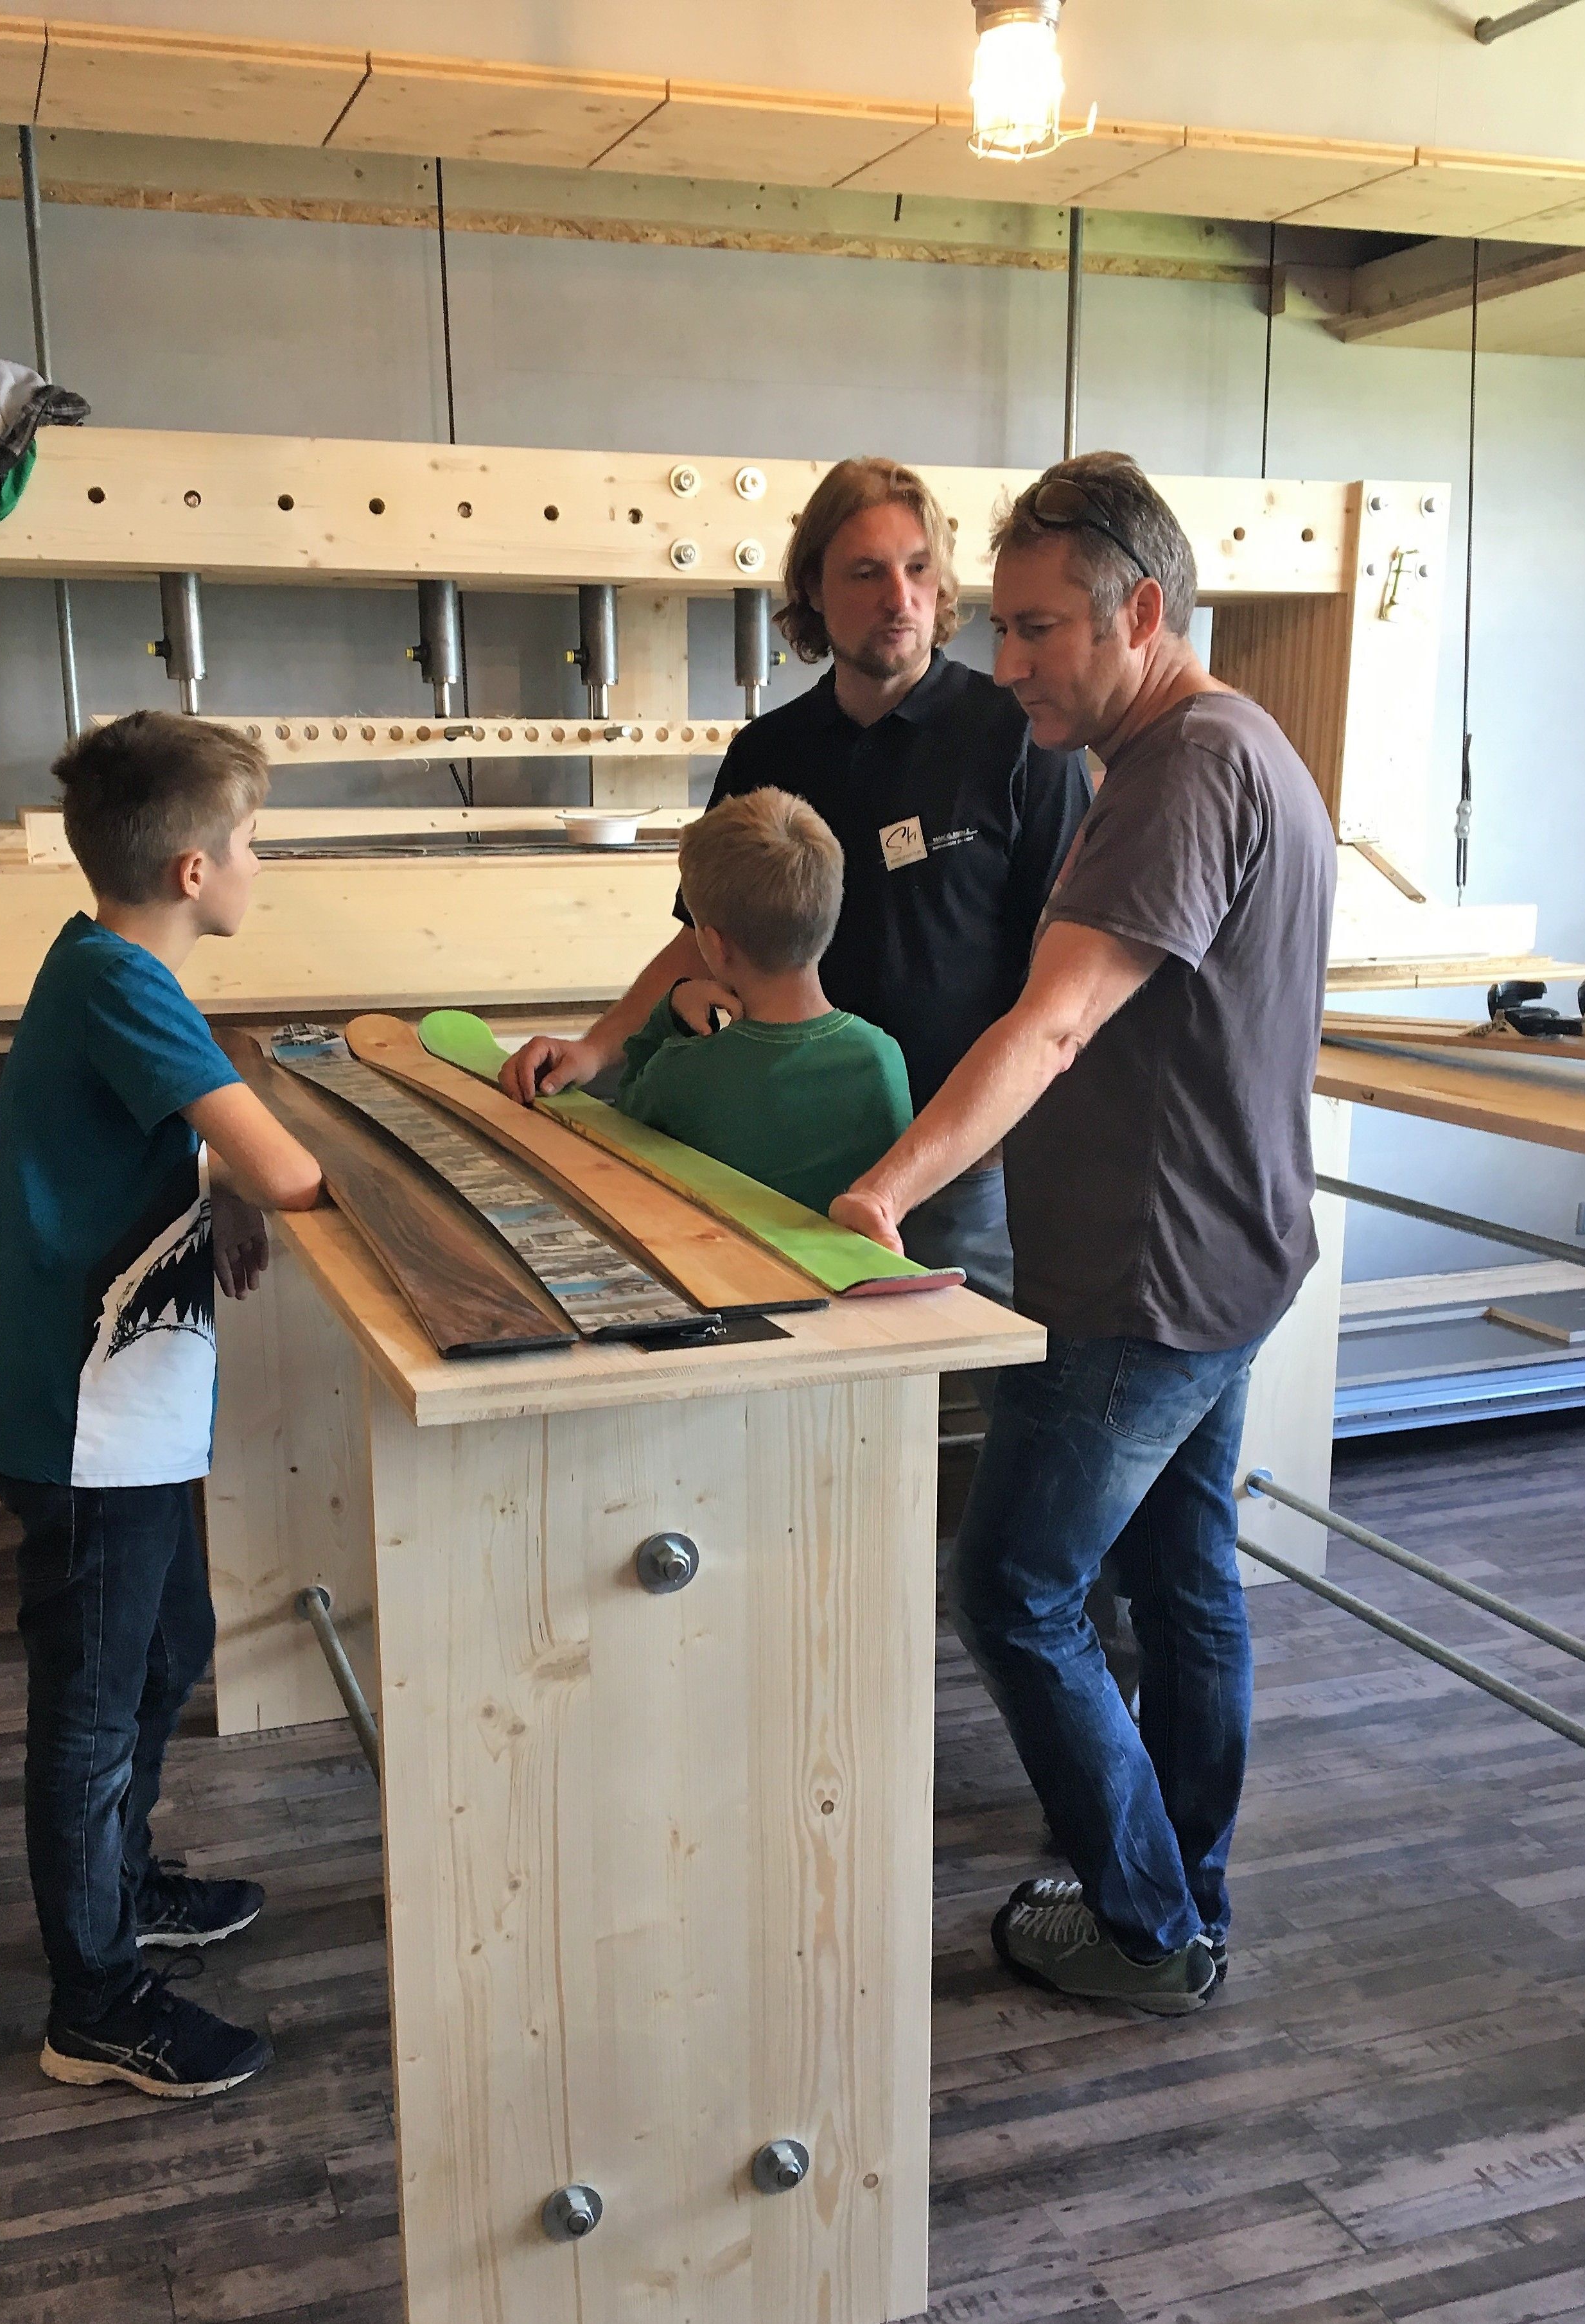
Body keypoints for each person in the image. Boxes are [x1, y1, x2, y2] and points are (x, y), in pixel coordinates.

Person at [830, 452, 1336, 2016]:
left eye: (1041, 628)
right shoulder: (1239, 745)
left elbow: (1050, 1027)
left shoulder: (1180, 770)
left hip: (1138, 1279)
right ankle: (1180, 1893)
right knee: (1181, 1586)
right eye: (1003, 626)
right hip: (1226, 1259)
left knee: (1012, 1592)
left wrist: (885, 1192)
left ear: (1142, 612)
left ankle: (1144, 1924)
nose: (1008, 663)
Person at [0, 711, 324, 2098]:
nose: (258, 864)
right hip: (85, 1419)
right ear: (191, 869)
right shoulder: (121, 980)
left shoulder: (108, 966)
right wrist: (287, 1172)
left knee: (168, 1644)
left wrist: (216, 1184)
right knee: (93, 1710)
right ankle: (95, 2000)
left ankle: (122, 1882)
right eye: (250, 842)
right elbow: (289, 1170)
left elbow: (184, 1145)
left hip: (125, 1405)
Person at [500, 454, 1090, 1308]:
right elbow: (701, 936)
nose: (899, 597)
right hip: (780, 1152)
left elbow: (1065, 978)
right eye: (866, 572)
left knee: (976, 1367)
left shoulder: (1015, 738)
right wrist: (595, 1050)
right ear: (813, 587)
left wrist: (1005, 1137)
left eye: (917, 568)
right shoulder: (770, 752)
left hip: (958, 1171)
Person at [617, 786, 911, 1214]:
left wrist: (668, 1014)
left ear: (716, 945)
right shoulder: (882, 1059)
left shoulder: (682, 1072)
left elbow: (621, 1132)